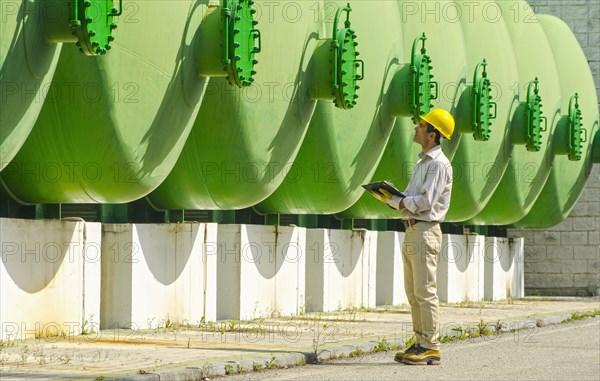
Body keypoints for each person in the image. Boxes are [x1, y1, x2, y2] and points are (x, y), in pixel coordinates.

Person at [372, 108, 454, 366]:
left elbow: (426, 201)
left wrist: (399, 201)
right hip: (412, 229)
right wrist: (390, 196)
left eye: (421, 125)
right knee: (413, 292)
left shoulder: (439, 165)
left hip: (425, 230)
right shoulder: (423, 163)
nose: (415, 129)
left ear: (433, 134)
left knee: (425, 291)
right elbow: (409, 198)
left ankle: (431, 346)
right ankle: (420, 343)